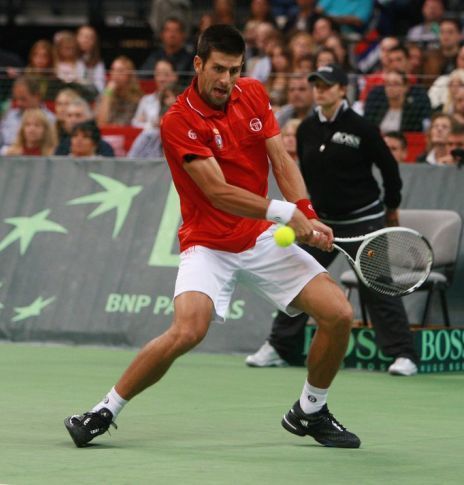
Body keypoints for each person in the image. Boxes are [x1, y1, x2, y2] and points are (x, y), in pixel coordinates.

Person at [64, 24, 361, 450]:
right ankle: (104, 410)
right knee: (188, 330)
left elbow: (280, 158)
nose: (226, 80)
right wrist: (285, 212)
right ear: (199, 64)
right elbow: (218, 192)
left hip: (257, 236)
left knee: (338, 314)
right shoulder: (178, 121)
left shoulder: (254, 94)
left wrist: (308, 214)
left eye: (235, 70)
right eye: (218, 69)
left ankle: (310, 410)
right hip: (207, 244)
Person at [246, 64, 418, 377]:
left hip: (364, 219)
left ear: (342, 89)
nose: (320, 90)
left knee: (377, 285)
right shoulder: (307, 128)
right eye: (316, 84)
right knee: (298, 280)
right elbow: (303, 174)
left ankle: (403, 354)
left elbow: (389, 169)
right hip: (322, 223)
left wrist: (391, 206)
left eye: (327, 85)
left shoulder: (361, 127)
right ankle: (279, 347)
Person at [96, 56, 143, 126]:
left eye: (120, 71)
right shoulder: (105, 94)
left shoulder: (137, 99)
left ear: (129, 75)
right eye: (113, 70)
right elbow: (100, 123)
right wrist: (107, 94)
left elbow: (123, 124)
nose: (115, 74)